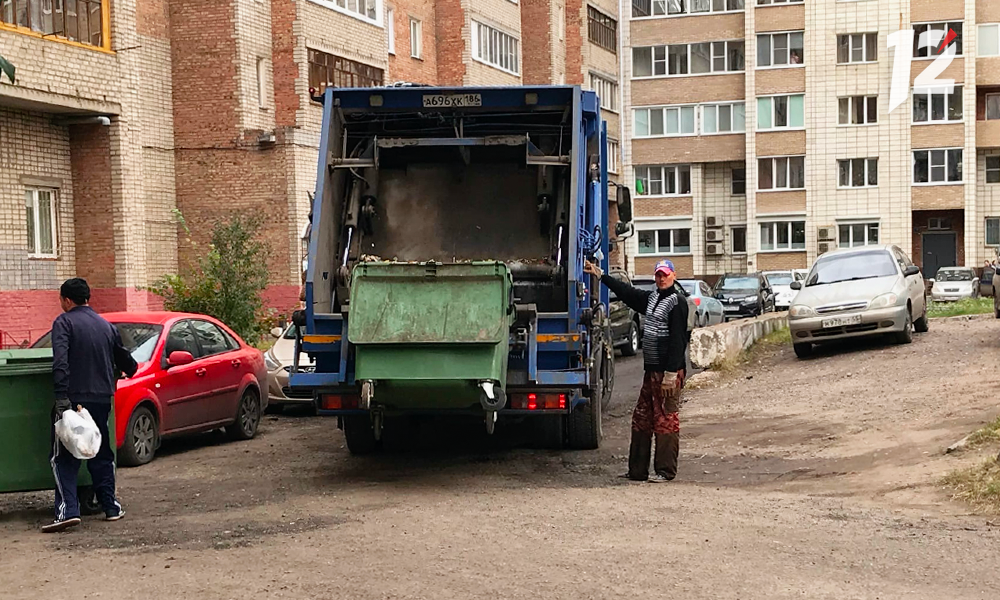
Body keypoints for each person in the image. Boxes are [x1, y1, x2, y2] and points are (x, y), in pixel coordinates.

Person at [43, 278, 138, 533]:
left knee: (64, 455)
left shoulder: (64, 323)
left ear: (67, 300)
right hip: (101, 399)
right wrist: (130, 369)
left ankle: (68, 511)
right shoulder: (105, 325)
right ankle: (110, 506)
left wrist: (61, 396)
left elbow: (60, 362)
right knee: (101, 452)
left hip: (73, 399)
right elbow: (123, 356)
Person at [585, 259, 690, 482]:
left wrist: (671, 374)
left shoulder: (677, 302)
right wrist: (601, 275)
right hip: (651, 371)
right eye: (658, 275)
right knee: (642, 418)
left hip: (667, 372)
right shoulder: (652, 299)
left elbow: (678, 340)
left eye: (665, 275)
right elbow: (628, 293)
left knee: (665, 418)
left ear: (673, 275)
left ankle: (665, 471)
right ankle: (637, 470)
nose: (661, 279)